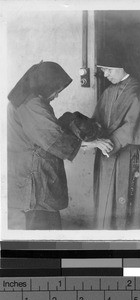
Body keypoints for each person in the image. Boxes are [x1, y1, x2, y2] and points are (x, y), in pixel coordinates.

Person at [7, 60, 112, 230]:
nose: (56, 96)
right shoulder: (31, 104)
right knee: (42, 233)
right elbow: (53, 138)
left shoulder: (25, 99)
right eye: (56, 90)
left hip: (28, 174)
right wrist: (95, 143)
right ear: (45, 85)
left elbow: (43, 132)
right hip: (34, 181)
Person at [91, 48, 140, 230]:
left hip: (127, 155)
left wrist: (107, 145)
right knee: (105, 203)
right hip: (107, 154)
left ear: (122, 67)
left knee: (124, 205)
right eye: (103, 71)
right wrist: (91, 136)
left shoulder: (136, 91)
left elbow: (130, 127)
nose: (105, 75)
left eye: (109, 70)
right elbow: (96, 121)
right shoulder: (108, 92)